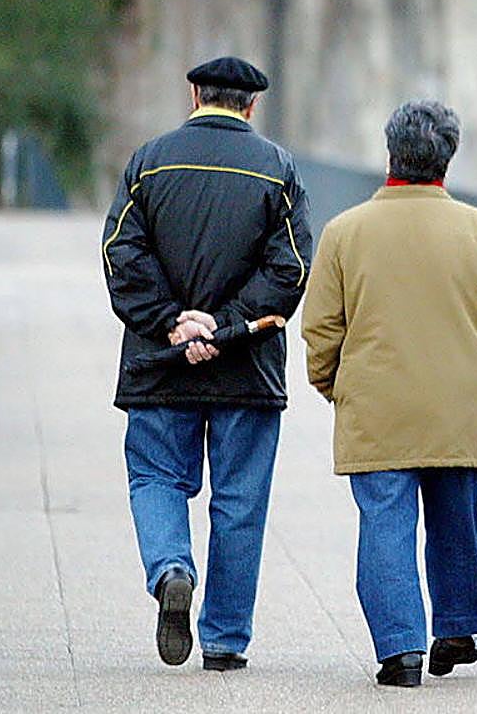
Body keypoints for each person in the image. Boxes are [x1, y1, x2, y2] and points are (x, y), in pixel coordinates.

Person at [301, 100, 477, 688]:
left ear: (390, 156)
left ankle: (400, 650)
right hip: (458, 403)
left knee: (385, 524)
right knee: (457, 517)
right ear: (447, 161)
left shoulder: (344, 232)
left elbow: (322, 326)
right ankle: (456, 622)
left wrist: (333, 384)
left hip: (376, 403)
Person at [101, 56, 312, 671]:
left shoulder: (149, 160)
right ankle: (224, 642)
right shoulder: (278, 170)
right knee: (240, 501)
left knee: (156, 477)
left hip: (158, 363)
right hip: (246, 367)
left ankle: (170, 567)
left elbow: (120, 251)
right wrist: (227, 326)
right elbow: (290, 267)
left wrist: (172, 320)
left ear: (194, 93)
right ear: (251, 105)